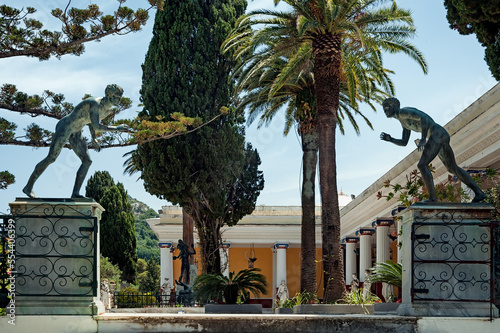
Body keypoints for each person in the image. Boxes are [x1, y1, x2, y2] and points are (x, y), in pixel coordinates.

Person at [23, 84, 130, 199]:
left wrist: (94, 138)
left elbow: (90, 122)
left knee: (87, 161)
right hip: (66, 126)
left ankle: (75, 193)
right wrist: (116, 128)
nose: (118, 100)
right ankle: (28, 187)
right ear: (108, 95)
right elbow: (97, 126)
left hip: (77, 131)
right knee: (51, 158)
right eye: (116, 96)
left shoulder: (107, 110)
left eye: (120, 97)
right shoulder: (96, 103)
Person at [380, 97, 486, 203]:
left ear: (394, 106)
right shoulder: (403, 122)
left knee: (422, 165)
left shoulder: (403, 112)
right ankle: (479, 193)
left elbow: (424, 118)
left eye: (387, 107)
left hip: (436, 133)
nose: (385, 111)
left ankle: (432, 199)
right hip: (439, 134)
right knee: (452, 168)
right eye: (384, 109)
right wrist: (391, 139)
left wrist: (423, 138)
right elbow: (404, 142)